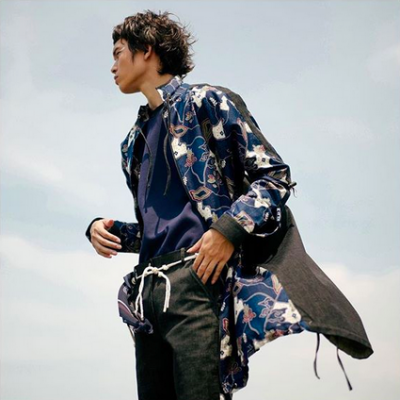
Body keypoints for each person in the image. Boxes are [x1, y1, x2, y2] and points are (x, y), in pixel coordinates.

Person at [86, 10, 373, 400]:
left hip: (197, 281)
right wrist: (106, 230)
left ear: (147, 50)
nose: (112, 66)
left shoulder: (207, 102)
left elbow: (274, 177)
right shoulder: (132, 144)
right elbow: (164, 227)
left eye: (118, 52)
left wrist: (227, 232)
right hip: (147, 297)